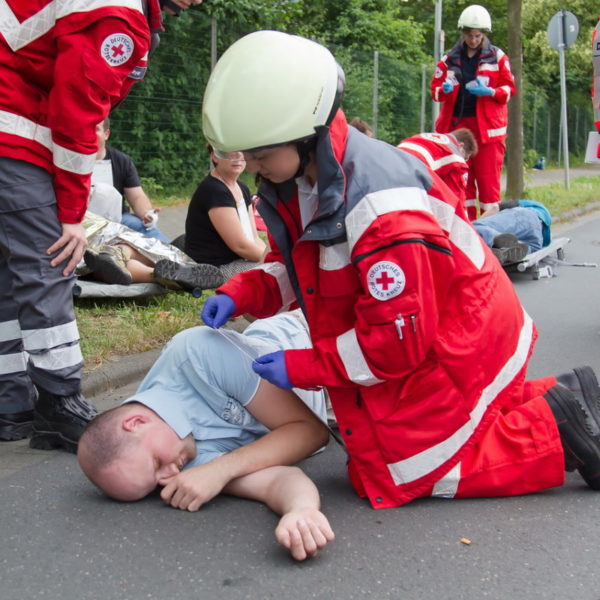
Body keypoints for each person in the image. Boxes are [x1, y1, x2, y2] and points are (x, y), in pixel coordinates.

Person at [199, 30, 600, 510]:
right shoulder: (313, 178)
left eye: (262, 156)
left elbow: (392, 345)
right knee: (402, 449)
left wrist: (305, 367)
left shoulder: (378, 214)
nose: (255, 170)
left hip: (455, 337)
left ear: (307, 136)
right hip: (450, 321)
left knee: (409, 471)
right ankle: (570, 395)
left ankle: (559, 430)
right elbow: (308, 267)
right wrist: (244, 292)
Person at [0, 0, 202, 449]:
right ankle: (58, 401)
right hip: (14, 135)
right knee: (49, 266)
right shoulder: (119, 13)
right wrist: (72, 215)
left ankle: (10, 404)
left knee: (8, 276)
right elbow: (77, 113)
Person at [77, 312, 334, 561]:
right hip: (336, 405)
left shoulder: (196, 355)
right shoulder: (179, 465)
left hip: (321, 335)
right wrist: (301, 510)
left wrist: (221, 468)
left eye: (156, 463)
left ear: (136, 422)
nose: (168, 478)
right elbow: (278, 481)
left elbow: (311, 431)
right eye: (154, 485)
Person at [430, 4, 515, 221]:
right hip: (458, 128)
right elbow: (435, 91)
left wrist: (491, 91)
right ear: (463, 33)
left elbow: (509, 89)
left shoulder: (497, 57)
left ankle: (490, 230)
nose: (473, 40)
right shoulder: (449, 59)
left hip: (487, 130)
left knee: (488, 186)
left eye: (477, 36)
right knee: (461, 183)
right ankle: (466, 229)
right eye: (469, 35)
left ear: (484, 34)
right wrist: (445, 90)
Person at [81, 186, 224, 290]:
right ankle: (158, 269)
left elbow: (136, 195)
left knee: (99, 262)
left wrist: (146, 214)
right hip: (92, 225)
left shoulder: (117, 159)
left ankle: (128, 259)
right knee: (104, 260)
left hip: (84, 225)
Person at [184, 146, 266, 282]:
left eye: (241, 148)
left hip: (238, 260)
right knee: (278, 273)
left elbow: (254, 238)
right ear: (214, 155)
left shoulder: (242, 187)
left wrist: (275, 256)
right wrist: (274, 260)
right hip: (215, 268)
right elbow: (240, 246)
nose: (238, 155)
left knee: (280, 268)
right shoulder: (214, 190)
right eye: (231, 149)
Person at [94, 118, 170, 242]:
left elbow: (136, 197)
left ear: (106, 134)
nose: (89, 133)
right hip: (78, 220)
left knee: (145, 229)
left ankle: (174, 255)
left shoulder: (121, 160)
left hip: (118, 219)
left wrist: (147, 214)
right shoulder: (69, 159)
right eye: (85, 128)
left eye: (95, 129)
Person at [396, 128, 477, 207]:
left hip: (392, 163)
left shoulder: (425, 136)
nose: (464, 162)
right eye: (465, 158)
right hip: (412, 176)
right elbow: (457, 199)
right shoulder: (456, 157)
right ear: (460, 146)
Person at [472, 199, 552, 265]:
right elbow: (545, 243)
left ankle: (496, 239)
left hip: (524, 216)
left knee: (475, 226)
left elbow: (495, 207)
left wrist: (479, 221)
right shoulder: (545, 220)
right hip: (537, 240)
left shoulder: (529, 205)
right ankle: (504, 252)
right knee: (524, 247)